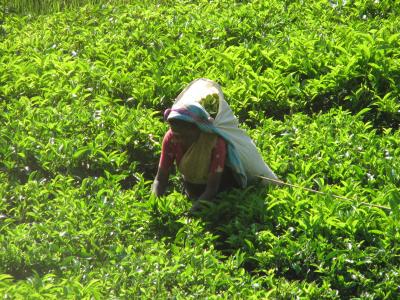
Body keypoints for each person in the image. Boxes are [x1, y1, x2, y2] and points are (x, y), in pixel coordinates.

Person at [152, 78, 279, 208]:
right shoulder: (171, 138)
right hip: (191, 187)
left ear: (197, 128)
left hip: (219, 189)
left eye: (184, 135)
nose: (178, 139)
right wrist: (155, 203)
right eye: (175, 134)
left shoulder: (214, 142)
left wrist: (193, 210)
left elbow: (212, 189)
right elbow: (160, 178)